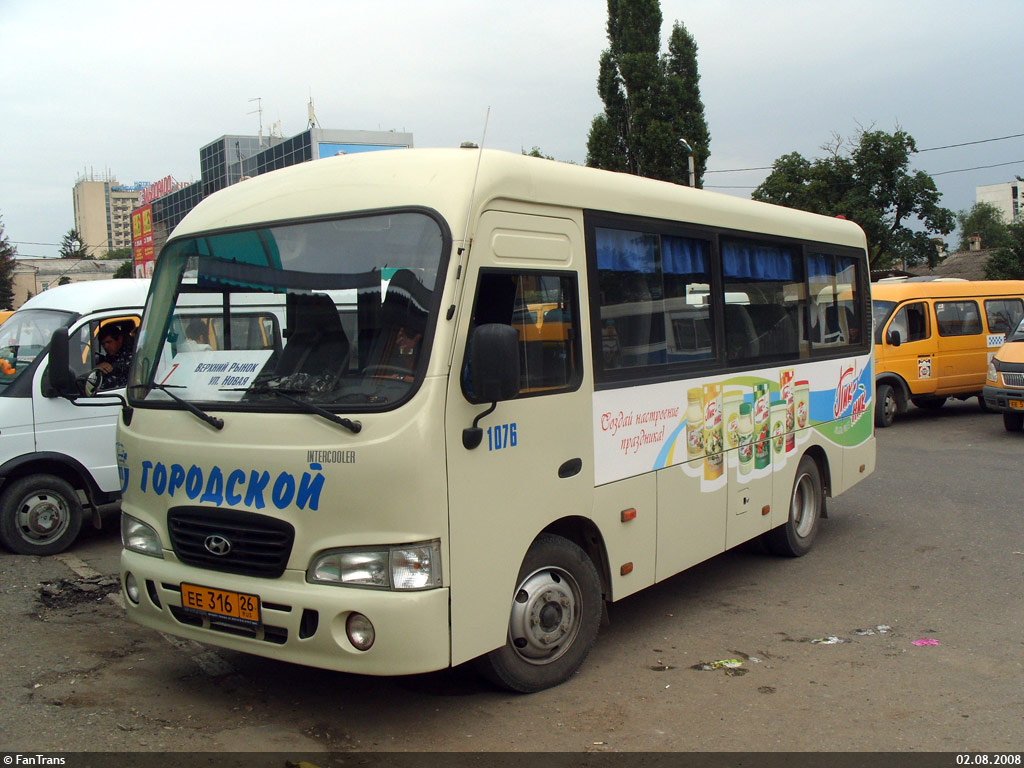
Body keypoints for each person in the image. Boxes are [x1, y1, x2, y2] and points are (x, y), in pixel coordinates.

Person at [96, 325, 133, 389]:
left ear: (120, 339)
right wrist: (97, 369)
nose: (106, 347)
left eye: (109, 342)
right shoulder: (107, 358)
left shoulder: (130, 358)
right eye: (103, 344)